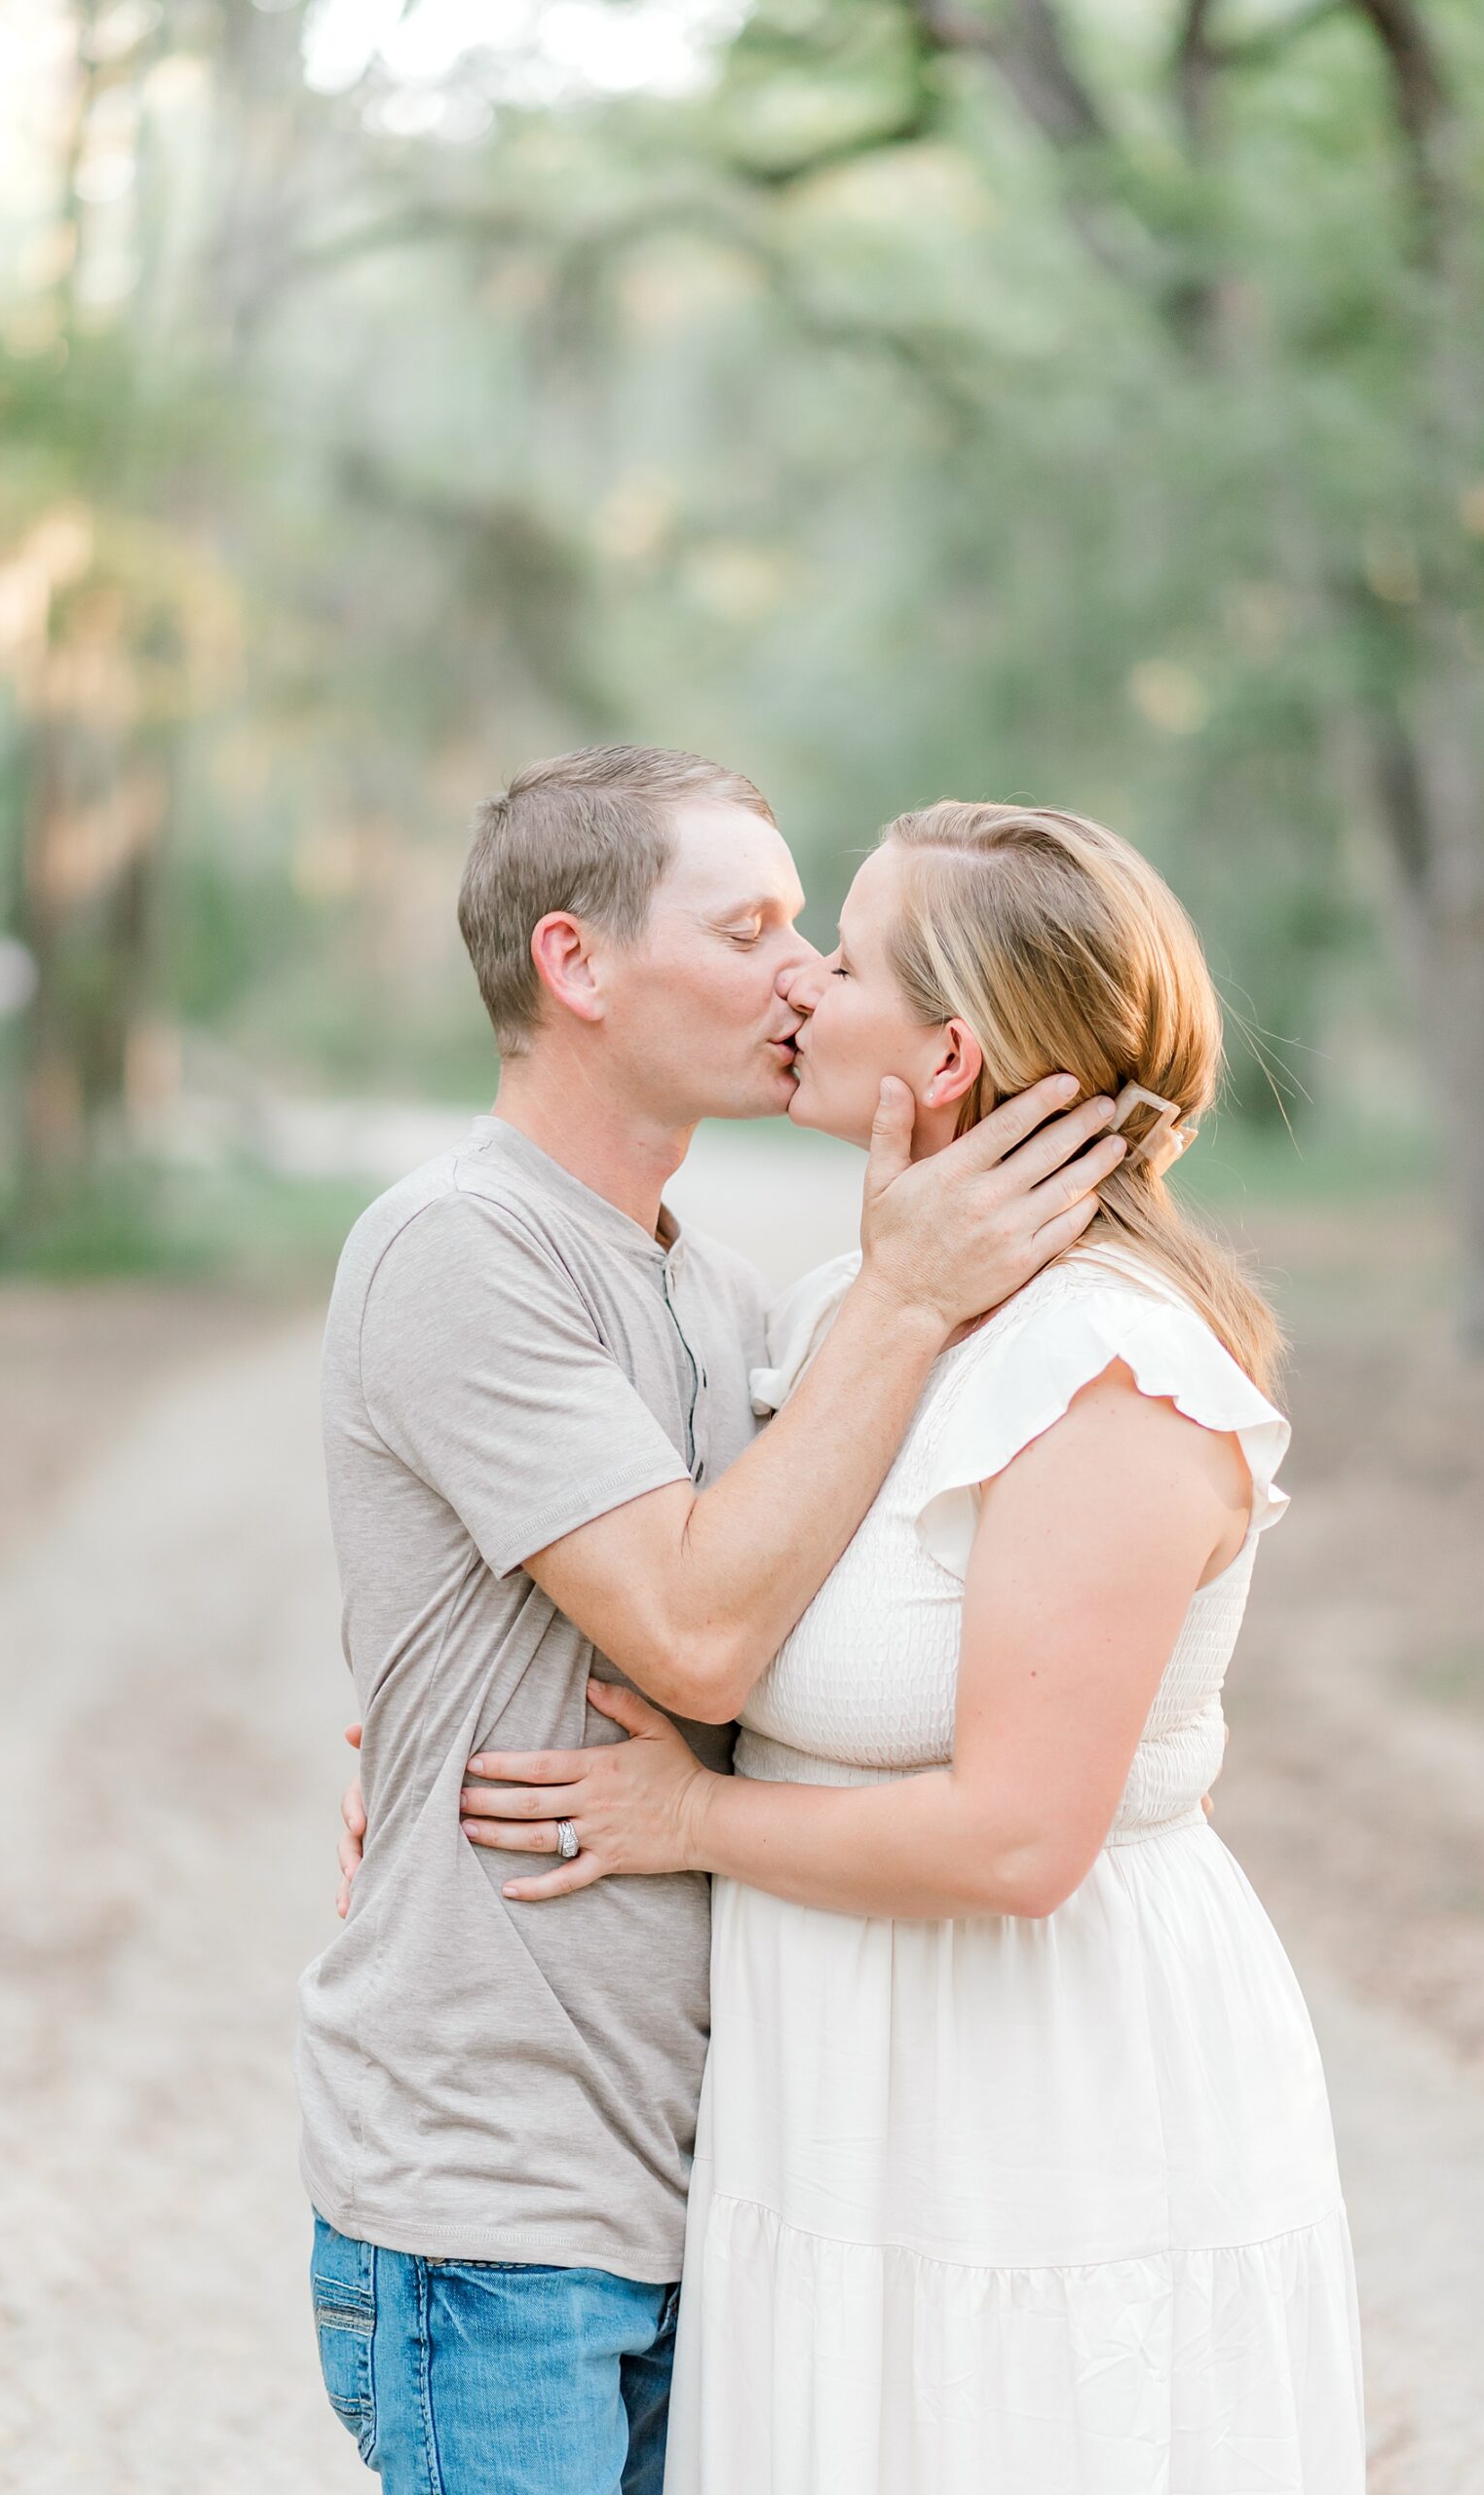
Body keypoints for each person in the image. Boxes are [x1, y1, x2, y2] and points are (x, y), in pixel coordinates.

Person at [452, 803, 1368, 2493]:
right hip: (840, 2100)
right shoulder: (853, 1316)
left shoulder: (1105, 1372)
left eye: (846, 955)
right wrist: (437, 1746)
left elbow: (1019, 1840)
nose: (801, 979)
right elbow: (697, 1600)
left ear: (944, 1054)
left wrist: (684, 1823)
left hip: (1040, 2108)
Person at [295, 748, 1124, 2495]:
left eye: (809, 928)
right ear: (574, 967)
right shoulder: (455, 1246)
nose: (805, 972)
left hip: (717, 2175)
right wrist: (904, 1294)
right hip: (497, 2193)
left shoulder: (718, 1290)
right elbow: (690, 1637)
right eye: (748, 928)